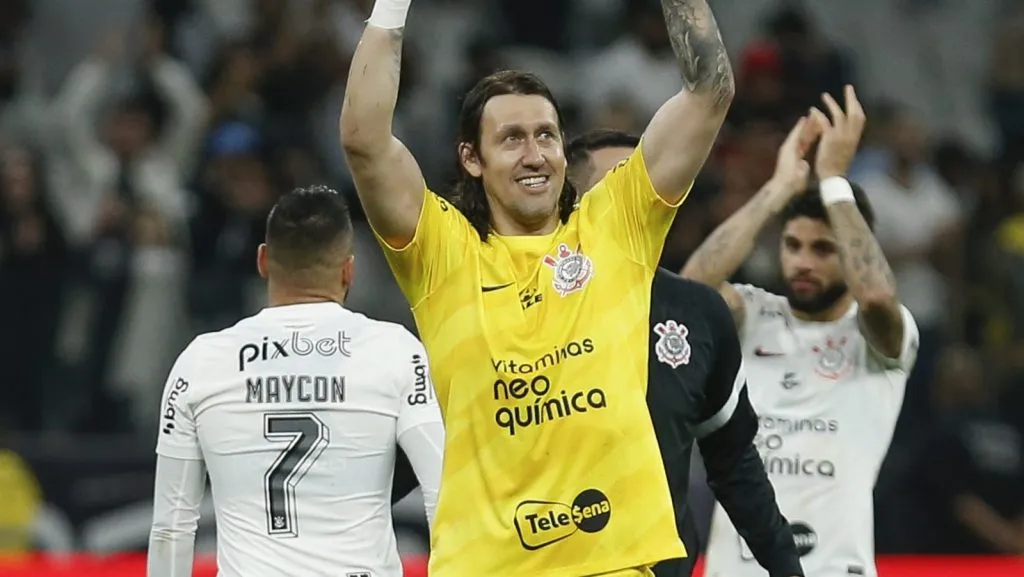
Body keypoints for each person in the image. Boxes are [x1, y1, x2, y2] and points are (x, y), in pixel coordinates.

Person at [339, 0, 734, 573]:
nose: (535, 155)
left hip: (615, 563)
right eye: (513, 139)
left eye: (546, 135)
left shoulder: (615, 224)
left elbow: (709, 93)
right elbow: (363, 138)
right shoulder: (443, 253)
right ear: (471, 159)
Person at [681, 87, 919, 577]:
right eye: (793, 246)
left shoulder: (880, 339)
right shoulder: (752, 313)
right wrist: (778, 189)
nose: (803, 262)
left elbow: (875, 296)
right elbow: (687, 296)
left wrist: (834, 181)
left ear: (852, 252)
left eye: (823, 249)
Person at [146, 186, 443, 577]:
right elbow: (443, 494)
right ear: (348, 269)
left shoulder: (202, 361)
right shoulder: (395, 351)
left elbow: (172, 526)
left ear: (263, 260)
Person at [566, 130, 803, 577]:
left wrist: (788, 571)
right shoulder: (514, 306)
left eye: (644, 183)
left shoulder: (696, 312)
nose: (638, 195)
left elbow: (735, 463)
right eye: (618, 183)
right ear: (568, 204)